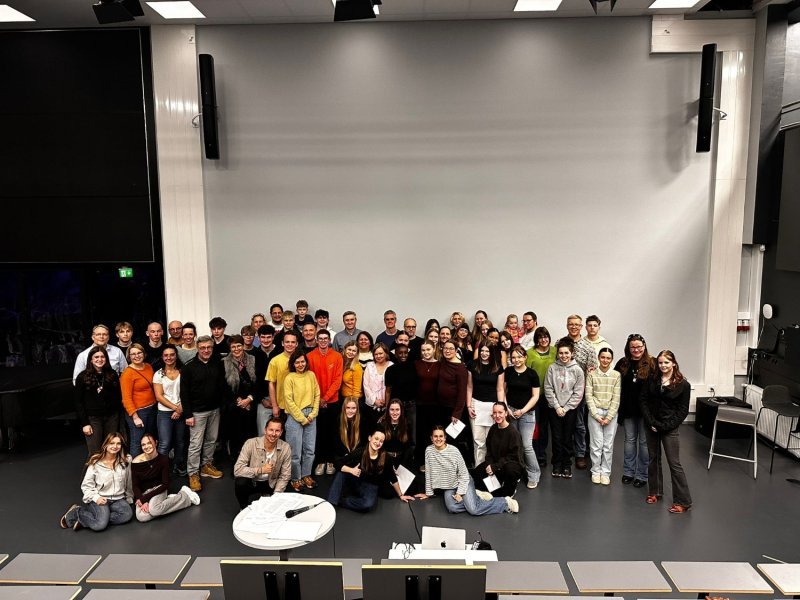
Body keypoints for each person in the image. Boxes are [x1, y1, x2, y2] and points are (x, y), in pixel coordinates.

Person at [421, 425, 518, 515]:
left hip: (463, 481)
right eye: (435, 436)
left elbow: (464, 475)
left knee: (473, 510)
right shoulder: (428, 451)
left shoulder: (454, 451)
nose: (438, 439)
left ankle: (505, 503)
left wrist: (459, 493)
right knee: (452, 507)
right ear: (431, 438)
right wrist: (429, 493)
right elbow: (428, 473)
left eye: (441, 436)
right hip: (449, 486)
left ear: (445, 438)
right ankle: (476, 498)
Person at [641, 350, 692, 513]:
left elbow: (683, 411)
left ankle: (683, 501)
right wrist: (651, 422)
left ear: (674, 363)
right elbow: (643, 401)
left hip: (669, 427)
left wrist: (664, 426)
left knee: (674, 463)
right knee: (653, 459)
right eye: (660, 362)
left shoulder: (683, 385)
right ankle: (655, 491)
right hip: (651, 425)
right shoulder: (652, 379)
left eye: (666, 362)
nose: (663, 365)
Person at [328, 426, 414, 512]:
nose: (378, 443)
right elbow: (337, 462)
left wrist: (401, 495)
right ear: (370, 438)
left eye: (381, 441)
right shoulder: (360, 451)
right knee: (341, 472)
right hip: (357, 481)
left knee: (367, 504)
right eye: (376, 439)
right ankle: (331, 502)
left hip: (370, 486)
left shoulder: (386, 457)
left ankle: (341, 501)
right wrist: (351, 470)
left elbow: (392, 477)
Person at [60, 433, 133, 531]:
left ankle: (88, 519)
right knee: (100, 525)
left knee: (127, 515)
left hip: (118, 499)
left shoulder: (126, 460)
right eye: (112, 443)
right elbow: (86, 486)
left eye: (118, 443)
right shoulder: (96, 462)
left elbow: (128, 480)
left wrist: (129, 497)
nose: (115, 446)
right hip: (101, 498)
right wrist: (96, 497)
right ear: (106, 444)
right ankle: (76, 512)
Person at [181, 335, 226, 492]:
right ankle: (193, 473)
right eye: (202, 348)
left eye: (209, 347)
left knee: (211, 440)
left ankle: (206, 465)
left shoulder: (217, 363)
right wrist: (188, 414)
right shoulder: (188, 367)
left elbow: (221, 386)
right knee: (195, 444)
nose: (206, 350)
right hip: (196, 412)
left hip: (214, 410)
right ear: (197, 348)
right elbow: (184, 393)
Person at [132, 433, 199, 522]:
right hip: (144, 492)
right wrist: (142, 499)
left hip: (159, 489)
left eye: (149, 443)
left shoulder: (163, 459)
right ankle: (168, 501)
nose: (146, 446)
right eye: (143, 444)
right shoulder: (136, 462)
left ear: (156, 443)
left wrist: (144, 499)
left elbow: (165, 484)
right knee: (141, 517)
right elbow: (135, 486)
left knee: (154, 510)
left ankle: (185, 496)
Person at [615, 333, 653, 488]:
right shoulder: (622, 363)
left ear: (644, 347)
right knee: (629, 441)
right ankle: (628, 472)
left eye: (639, 347)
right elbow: (611, 379)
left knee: (644, 443)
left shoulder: (652, 363)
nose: (636, 350)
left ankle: (642, 475)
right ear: (628, 348)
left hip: (646, 412)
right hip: (628, 410)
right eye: (633, 347)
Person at [544, 338, 585, 479]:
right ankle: (557, 463)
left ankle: (567, 464)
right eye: (561, 353)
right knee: (556, 437)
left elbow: (578, 393)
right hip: (554, 409)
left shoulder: (577, 370)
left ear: (572, 353)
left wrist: (566, 408)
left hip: (570, 410)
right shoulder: (552, 368)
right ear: (557, 354)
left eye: (566, 353)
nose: (564, 356)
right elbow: (548, 388)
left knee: (567, 437)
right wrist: (557, 406)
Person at [307, 329, 344, 477]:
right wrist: (318, 399)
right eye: (320, 338)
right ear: (316, 340)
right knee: (318, 432)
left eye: (325, 338)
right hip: (315, 401)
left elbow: (338, 380)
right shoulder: (310, 356)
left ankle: (330, 461)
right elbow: (309, 379)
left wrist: (326, 398)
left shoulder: (337, 356)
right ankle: (321, 461)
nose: (323, 341)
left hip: (332, 401)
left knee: (332, 432)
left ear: (329, 340)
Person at [233, 417, 292, 509]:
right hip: (253, 481)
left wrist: (276, 496)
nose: (273, 434)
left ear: (281, 432)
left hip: (271, 483)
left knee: (284, 493)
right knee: (240, 482)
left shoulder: (285, 447)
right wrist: (261, 470)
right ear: (265, 430)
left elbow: (285, 475)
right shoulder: (251, 443)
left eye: (277, 431)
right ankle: (243, 507)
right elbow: (237, 470)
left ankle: (268, 494)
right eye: (271, 430)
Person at [74, 346, 122, 457]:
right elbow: (78, 402)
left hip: (111, 418)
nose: (99, 359)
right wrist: (85, 423)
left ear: (106, 359)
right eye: (96, 357)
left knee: (112, 450)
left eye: (102, 357)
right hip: (93, 419)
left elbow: (118, 397)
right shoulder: (82, 377)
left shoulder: (112, 374)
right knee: (95, 453)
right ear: (91, 359)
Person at [504, 344, 541, 488]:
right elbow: (502, 391)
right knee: (513, 445)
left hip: (527, 413)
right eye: (513, 357)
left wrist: (523, 410)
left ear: (525, 357)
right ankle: (516, 472)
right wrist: (507, 409)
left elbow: (535, 396)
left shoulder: (532, 374)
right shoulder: (508, 371)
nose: (516, 360)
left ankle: (534, 474)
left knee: (526, 445)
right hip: (511, 412)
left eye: (519, 357)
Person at [283, 350, 321, 492]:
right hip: (295, 417)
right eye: (297, 362)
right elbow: (289, 401)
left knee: (310, 450)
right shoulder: (289, 378)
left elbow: (317, 395)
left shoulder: (311, 375)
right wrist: (302, 418)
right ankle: (295, 478)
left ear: (306, 362)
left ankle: (306, 475)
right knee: (295, 452)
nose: (300, 364)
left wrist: (313, 414)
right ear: (293, 364)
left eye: (302, 361)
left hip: (311, 415)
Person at [565, 315, 599, 470]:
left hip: (580, 392)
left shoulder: (588, 347)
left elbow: (592, 372)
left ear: (581, 327)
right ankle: (566, 452)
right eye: (571, 324)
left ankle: (580, 454)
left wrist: (587, 392)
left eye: (577, 325)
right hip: (562, 391)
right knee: (564, 424)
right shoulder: (560, 343)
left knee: (579, 424)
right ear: (567, 325)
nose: (574, 327)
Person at [472, 403, 525, 497]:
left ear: (506, 413)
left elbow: (514, 456)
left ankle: (510, 490)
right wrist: (489, 465)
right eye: (495, 413)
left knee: (510, 471)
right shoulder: (493, 429)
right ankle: (498, 484)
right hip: (496, 463)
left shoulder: (513, 432)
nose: (497, 415)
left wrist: (495, 466)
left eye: (500, 412)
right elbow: (489, 450)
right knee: (477, 473)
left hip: (510, 464)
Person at [585, 347, 621, 485]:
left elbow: (616, 397)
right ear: (599, 358)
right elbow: (588, 396)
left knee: (608, 445)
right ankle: (596, 471)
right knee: (596, 445)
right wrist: (596, 415)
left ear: (611, 360)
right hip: (595, 413)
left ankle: (605, 472)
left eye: (608, 358)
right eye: (603, 357)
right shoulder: (592, 375)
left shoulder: (616, 375)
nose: (605, 360)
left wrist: (609, 417)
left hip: (611, 414)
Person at [466, 344, 505, 465]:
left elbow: (500, 389)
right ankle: (479, 468)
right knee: (478, 440)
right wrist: (468, 406)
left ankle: (491, 468)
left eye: (487, 351)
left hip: (492, 407)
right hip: (476, 405)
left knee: (492, 439)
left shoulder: (498, 367)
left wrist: (501, 409)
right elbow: (469, 387)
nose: (484, 353)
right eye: (482, 351)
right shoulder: (472, 365)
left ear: (492, 352)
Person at [153, 344, 187, 476]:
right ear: (162, 357)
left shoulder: (183, 371)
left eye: (172, 355)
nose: (169, 357)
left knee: (180, 442)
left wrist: (180, 409)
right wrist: (175, 409)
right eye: (166, 355)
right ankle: (160, 470)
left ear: (176, 356)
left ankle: (178, 465)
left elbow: (188, 392)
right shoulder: (158, 374)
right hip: (164, 413)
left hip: (182, 410)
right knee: (165, 443)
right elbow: (159, 396)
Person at [222, 335, 257, 460]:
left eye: (239, 346)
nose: (236, 349)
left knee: (250, 435)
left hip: (251, 403)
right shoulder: (224, 362)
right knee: (235, 436)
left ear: (243, 346)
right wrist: (239, 401)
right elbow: (223, 386)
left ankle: (250, 460)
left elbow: (258, 383)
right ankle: (236, 462)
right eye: (233, 347)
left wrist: (249, 399)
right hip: (233, 405)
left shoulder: (253, 359)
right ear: (230, 348)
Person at [526, 326, 557, 467]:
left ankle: (542, 454)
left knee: (545, 426)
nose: (543, 340)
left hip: (550, 395)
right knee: (534, 426)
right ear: (536, 340)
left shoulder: (555, 351)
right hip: (533, 395)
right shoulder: (530, 353)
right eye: (540, 337)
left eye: (546, 337)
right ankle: (533, 454)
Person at [120, 343, 158, 457]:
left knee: (150, 440)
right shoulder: (127, 373)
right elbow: (126, 398)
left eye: (139, 353)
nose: (137, 356)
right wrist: (135, 417)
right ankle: (136, 466)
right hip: (138, 412)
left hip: (152, 409)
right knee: (137, 442)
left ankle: (150, 463)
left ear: (144, 354)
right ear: (129, 357)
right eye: (133, 354)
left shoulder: (148, 367)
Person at [438, 341, 471, 466]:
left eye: (451, 348)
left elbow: (462, 392)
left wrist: (457, 413)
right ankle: (443, 463)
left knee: (452, 438)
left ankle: (454, 464)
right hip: (441, 406)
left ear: (456, 350)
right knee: (442, 436)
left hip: (453, 409)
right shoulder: (443, 362)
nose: (447, 351)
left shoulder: (460, 368)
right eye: (445, 348)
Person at [384, 344, 418, 455]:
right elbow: (388, 390)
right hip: (396, 406)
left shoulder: (414, 367)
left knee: (412, 432)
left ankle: (411, 456)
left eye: (405, 353)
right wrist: (387, 408)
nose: (403, 355)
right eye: (400, 353)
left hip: (411, 405)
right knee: (398, 431)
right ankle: (398, 455)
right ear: (396, 354)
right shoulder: (390, 370)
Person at [414, 341, 441, 467]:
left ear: (434, 349)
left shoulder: (440, 364)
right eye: (423, 350)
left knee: (434, 432)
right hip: (420, 405)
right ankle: (423, 461)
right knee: (421, 433)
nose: (426, 352)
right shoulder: (417, 364)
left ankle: (435, 460)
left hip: (436, 405)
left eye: (428, 349)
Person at [266, 330, 300, 418]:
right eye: (287, 342)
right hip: (282, 406)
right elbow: (271, 383)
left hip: (300, 405)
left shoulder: (302, 360)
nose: (290, 344)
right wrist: (274, 406)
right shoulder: (275, 361)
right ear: (282, 343)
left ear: (297, 344)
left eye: (293, 342)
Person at [253, 324, 278, 433]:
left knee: (281, 432)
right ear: (258, 338)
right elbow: (252, 381)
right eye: (263, 337)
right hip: (263, 400)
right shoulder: (253, 355)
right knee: (263, 432)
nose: (266, 340)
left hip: (281, 399)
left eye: (268, 337)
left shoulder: (281, 352)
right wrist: (261, 400)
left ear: (273, 337)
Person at [362, 342, 393, 426]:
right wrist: (375, 401)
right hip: (371, 407)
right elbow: (366, 386)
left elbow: (393, 387)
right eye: (376, 354)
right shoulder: (369, 366)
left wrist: (386, 402)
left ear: (386, 353)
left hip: (388, 406)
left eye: (381, 353)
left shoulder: (392, 366)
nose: (378, 356)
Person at [378, 399, 413, 470]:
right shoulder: (382, 425)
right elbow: (380, 447)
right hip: (386, 460)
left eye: (397, 409)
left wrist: (402, 466)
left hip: (402, 461)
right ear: (388, 410)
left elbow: (408, 446)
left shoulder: (407, 424)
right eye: (392, 410)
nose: (394, 413)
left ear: (401, 411)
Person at [333, 397, 367, 462]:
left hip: (357, 456)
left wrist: (352, 455)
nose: (350, 411)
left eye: (353, 408)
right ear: (344, 408)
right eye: (348, 408)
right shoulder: (338, 420)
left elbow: (363, 443)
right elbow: (336, 442)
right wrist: (345, 454)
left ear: (357, 409)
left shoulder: (362, 421)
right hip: (342, 455)